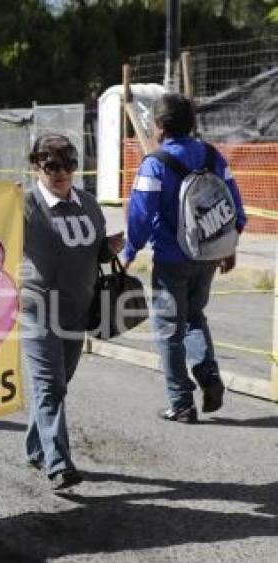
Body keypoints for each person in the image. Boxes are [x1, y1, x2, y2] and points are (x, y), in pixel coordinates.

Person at [124, 93, 246, 423]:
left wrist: (129, 251)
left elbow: (140, 214)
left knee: (168, 330)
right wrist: (230, 244)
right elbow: (234, 201)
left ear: (160, 127)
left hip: (171, 259)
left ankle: (181, 403)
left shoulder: (154, 164)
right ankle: (209, 376)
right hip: (208, 254)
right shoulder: (211, 155)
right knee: (194, 315)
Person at [22, 134, 123, 490]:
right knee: (49, 385)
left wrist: (110, 249)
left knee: (57, 385)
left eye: (69, 164)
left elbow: (95, 253)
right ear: (36, 165)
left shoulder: (89, 204)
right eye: (52, 165)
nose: (62, 172)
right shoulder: (25, 206)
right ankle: (59, 463)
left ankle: (37, 448)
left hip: (77, 310)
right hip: (37, 309)